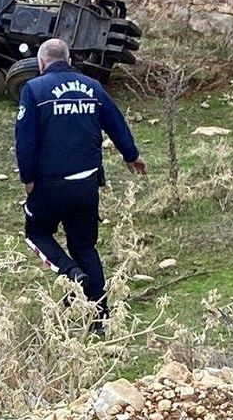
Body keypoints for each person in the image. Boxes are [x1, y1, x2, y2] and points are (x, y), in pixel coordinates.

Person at [14, 38, 146, 320]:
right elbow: (116, 124)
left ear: (41, 63)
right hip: (87, 184)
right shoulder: (93, 88)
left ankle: (70, 273)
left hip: (49, 184)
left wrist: (28, 179)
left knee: (36, 233)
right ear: (69, 60)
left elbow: (25, 140)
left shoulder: (34, 89)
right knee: (84, 247)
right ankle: (100, 317)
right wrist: (131, 155)